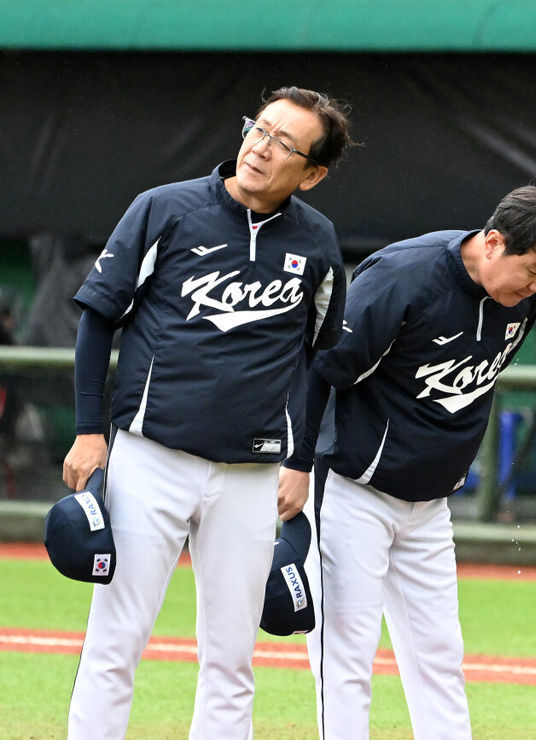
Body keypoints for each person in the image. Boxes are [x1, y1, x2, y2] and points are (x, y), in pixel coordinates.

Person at [60, 85, 353, 739]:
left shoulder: (318, 242)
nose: (262, 147)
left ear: (312, 173)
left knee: (232, 657)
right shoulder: (165, 209)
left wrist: (301, 462)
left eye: (286, 144)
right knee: (117, 640)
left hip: (251, 473)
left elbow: (320, 361)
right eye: (260, 128)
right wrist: (88, 431)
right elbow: (97, 321)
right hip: (151, 455)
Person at [278, 185, 536, 740]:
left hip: (428, 503)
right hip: (353, 488)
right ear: (493, 243)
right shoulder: (405, 276)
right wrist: (299, 462)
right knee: (346, 654)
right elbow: (321, 366)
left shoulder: (521, 301)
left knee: (440, 656)